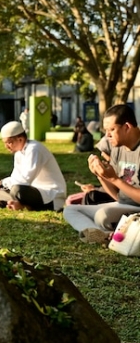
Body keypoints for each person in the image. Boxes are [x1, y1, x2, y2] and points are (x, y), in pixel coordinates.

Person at [63, 104, 140, 244]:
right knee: (71, 210)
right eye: (106, 130)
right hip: (123, 206)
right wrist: (101, 175)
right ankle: (102, 235)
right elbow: (117, 196)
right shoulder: (118, 147)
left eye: (111, 130)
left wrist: (114, 179)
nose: (107, 135)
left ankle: (109, 234)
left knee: (103, 216)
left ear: (127, 127)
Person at [0, 121, 67, 211]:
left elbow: (24, 181)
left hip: (50, 195)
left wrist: (0, 183)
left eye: (9, 142)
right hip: (33, 192)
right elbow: (16, 178)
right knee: (0, 192)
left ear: (20, 139)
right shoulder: (18, 152)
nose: (6, 146)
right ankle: (19, 203)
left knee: (16, 190)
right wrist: (0, 186)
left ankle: (22, 205)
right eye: (5, 143)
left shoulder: (34, 149)